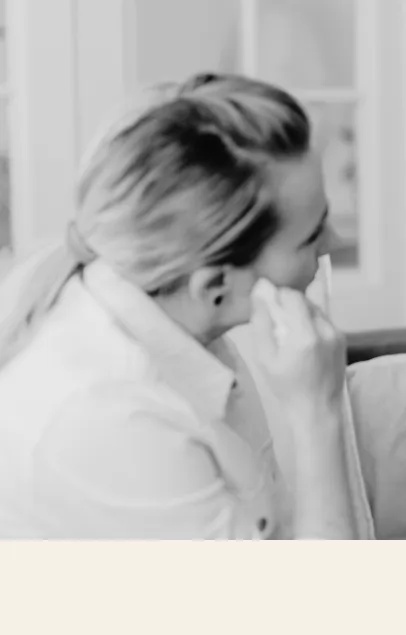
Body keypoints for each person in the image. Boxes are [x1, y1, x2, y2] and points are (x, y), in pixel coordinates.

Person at [0, 73, 369, 539]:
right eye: (312, 235)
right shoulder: (115, 422)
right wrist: (318, 412)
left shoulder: (173, 316)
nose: (335, 242)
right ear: (215, 284)